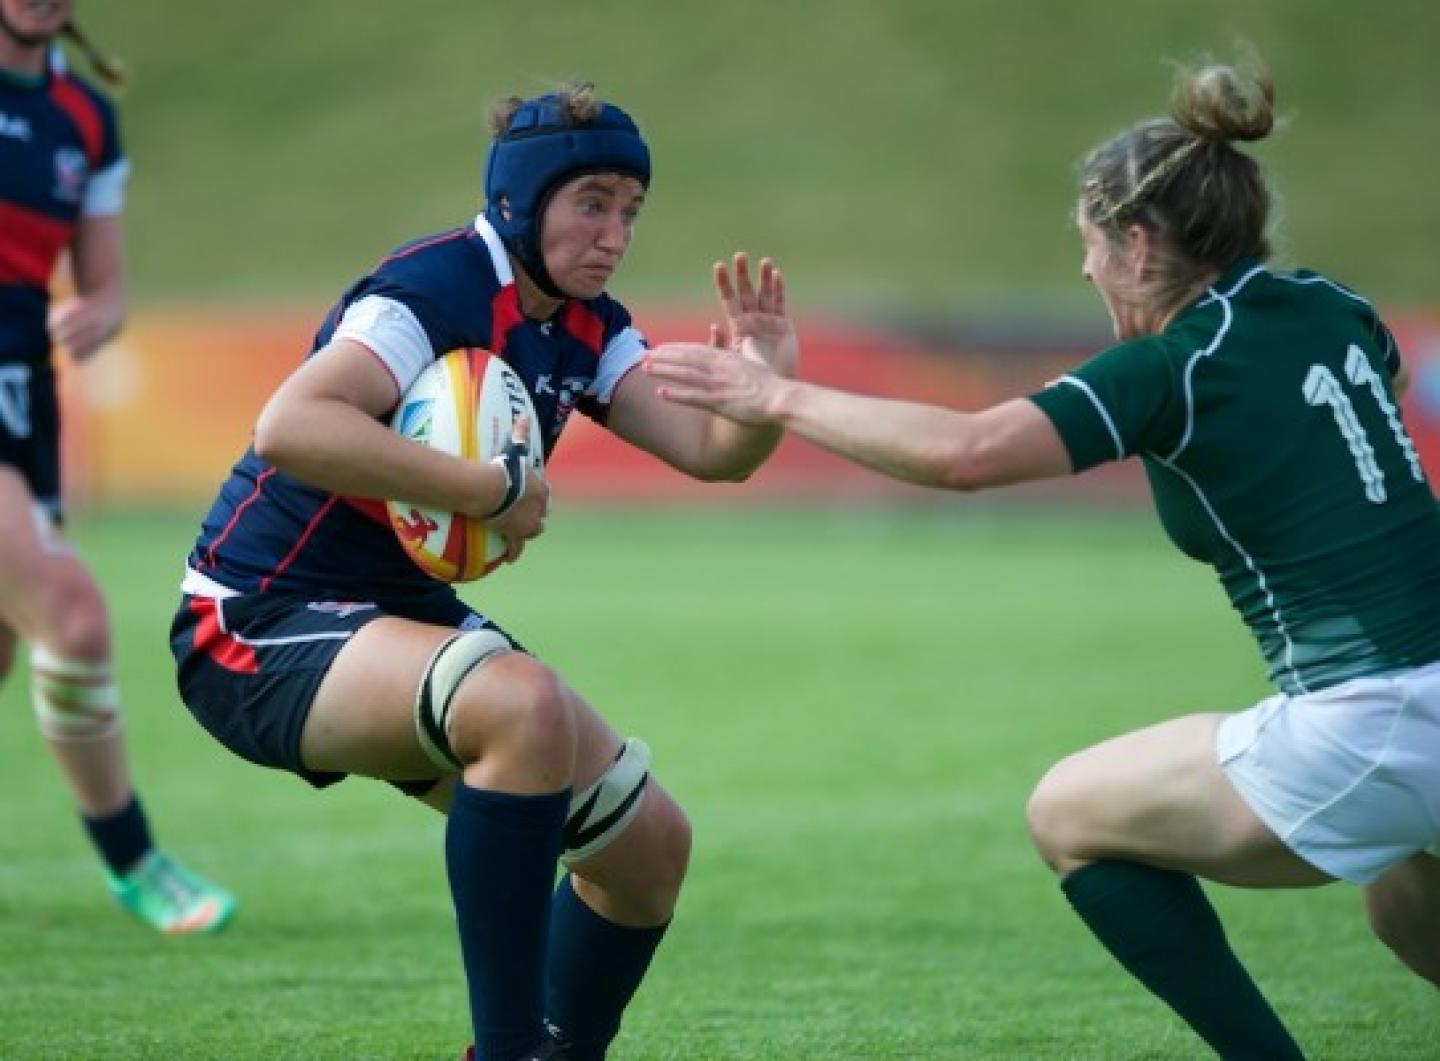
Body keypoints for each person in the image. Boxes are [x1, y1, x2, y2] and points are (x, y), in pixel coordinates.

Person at [647, 58, 1440, 1057]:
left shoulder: (1171, 364)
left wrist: (778, 399)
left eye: (1091, 246)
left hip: (1371, 714)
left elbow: (967, 454)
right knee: (1407, 901)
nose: (1085, 271)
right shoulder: (1333, 305)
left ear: (1140, 242)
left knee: (1070, 811)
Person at [169, 82, 794, 1060]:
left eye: (630, 210)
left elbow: (717, 452)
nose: (614, 234)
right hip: (256, 619)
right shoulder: (434, 286)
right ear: (520, 201)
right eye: (591, 202)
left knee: (646, 851)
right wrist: (484, 486)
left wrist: (764, 386)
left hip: (394, 618)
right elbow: (290, 426)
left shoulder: (585, 325)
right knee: (522, 704)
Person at [0, 0, 235, 934]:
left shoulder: (87, 119)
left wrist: (98, 315)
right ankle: (136, 859)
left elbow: (104, 285)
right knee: (74, 613)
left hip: (24, 389)